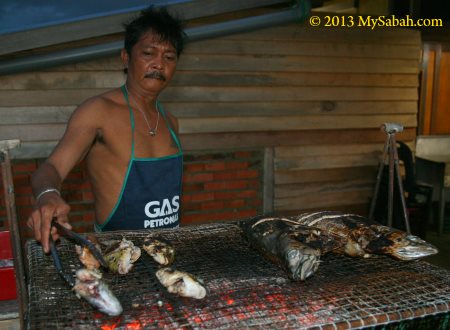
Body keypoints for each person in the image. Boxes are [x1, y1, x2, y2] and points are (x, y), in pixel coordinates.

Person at [27, 6, 186, 253]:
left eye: (169, 57)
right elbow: (50, 168)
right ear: (125, 57)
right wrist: (47, 195)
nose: (159, 64)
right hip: (116, 255)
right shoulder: (99, 111)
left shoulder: (171, 121)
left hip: (166, 251)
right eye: (148, 53)